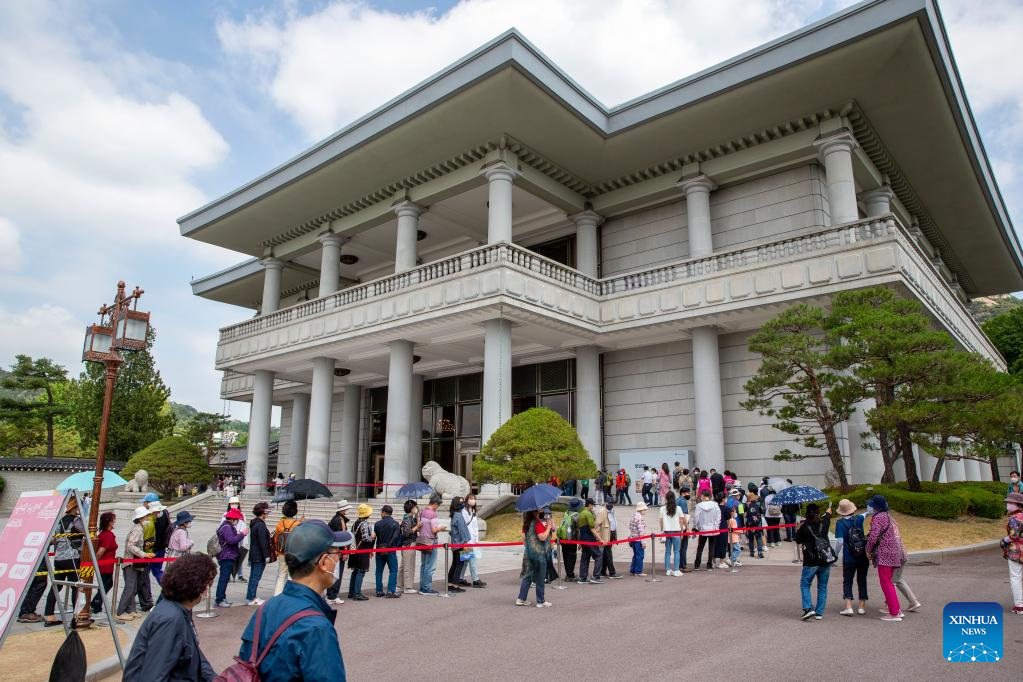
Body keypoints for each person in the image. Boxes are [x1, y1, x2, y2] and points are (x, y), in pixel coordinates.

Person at [238, 521, 351, 682]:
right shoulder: (316, 628)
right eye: (337, 554)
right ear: (324, 561)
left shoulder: (266, 608)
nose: (337, 559)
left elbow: (246, 662)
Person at [122, 554, 218, 681]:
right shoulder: (171, 619)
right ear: (195, 585)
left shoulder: (180, 610)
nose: (207, 590)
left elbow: (195, 656)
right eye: (207, 585)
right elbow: (155, 676)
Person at [865, 495, 915, 621]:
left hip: (884, 555)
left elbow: (873, 537)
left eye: (871, 505)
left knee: (886, 583)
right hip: (893, 553)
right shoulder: (887, 516)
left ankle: (894, 613)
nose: (870, 507)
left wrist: (868, 549)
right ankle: (896, 610)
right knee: (889, 583)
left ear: (875, 506)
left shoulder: (878, 518)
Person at [44, 498, 86, 628]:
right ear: (75, 508)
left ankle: (49, 615)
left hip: (59, 558)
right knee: (76, 587)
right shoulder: (76, 521)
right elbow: (87, 532)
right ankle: (76, 616)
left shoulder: (60, 521)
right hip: (72, 557)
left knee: (56, 586)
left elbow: (53, 539)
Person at [117, 506, 155, 622]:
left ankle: (131, 609)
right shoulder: (138, 529)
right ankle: (120, 611)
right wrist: (144, 554)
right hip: (131, 562)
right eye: (147, 516)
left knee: (133, 587)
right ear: (142, 517)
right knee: (130, 587)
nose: (148, 518)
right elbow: (131, 545)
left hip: (134, 561)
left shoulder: (138, 528)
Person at [795, 502, 833, 620]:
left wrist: (798, 529)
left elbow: (798, 540)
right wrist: (828, 514)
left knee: (805, 584)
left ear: (807, 513)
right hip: (825, 559)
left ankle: (808, 608)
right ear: (818, 513)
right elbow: (827, 518)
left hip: (810, 560)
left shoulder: (804, 527)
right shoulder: (823, 524)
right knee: (822, 587)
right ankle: (819, 612)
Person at [834, 499, 869, 616]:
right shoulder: (859, 518)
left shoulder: (839, 523)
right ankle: (861, 607)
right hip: (862, 555)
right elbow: (866, 513)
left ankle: (848, 607)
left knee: (847, 581)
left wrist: (835, 554)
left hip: (849, 556)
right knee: (862, 580)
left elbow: (840, 542)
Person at [516, 509, 554, 607]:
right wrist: (548, 527)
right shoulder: (537, 523)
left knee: (528, 576)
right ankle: (540, 601)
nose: (541, 512)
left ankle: (521, 599)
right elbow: (542, 537)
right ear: (534, 512)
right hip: (539, 554)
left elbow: (524, 539)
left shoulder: (526, 524)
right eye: (539, 511)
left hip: (529, 553)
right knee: (540, 577)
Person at [215, 508, 248, 608]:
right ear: (233, 519)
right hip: (226, 555)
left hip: (226, 555)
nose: (237, 521)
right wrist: (242, 534)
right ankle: (219, 600)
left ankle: (222, 598)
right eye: (237, 519)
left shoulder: (226, 526)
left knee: (224, 578)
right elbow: (231, 540)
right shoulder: (227, 527)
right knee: (224, 578)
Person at [417, 494, 448, 595]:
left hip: (423, 540)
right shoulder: (433, 514)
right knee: (430, 566)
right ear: (435, 504)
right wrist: (441, 528)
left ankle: (422, 586)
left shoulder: (422, 512)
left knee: (424, 565)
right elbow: (434, 530)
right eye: (438, 505)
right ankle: (426, 588)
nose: (437, 507)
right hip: (431, 541)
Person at [90, 512, 119, 615]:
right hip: (105, 565)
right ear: (110, 522)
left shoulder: (103, 534)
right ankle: (96, 603)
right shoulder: (108, 536)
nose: (115, 521)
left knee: (107, 583)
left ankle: (96, 601)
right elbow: (100, 551)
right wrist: (94, 563)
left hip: (106, 564)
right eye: (113, 520)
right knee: (106, 584)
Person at [273, 500, 303, 596]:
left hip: (282, 552)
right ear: (295, 511)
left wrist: (277, 551)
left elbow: (276, 538)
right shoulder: (298, 523)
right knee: (291, 576)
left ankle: (277, 595)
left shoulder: (280, 523)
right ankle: (290, 596)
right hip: (293, 552)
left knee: (281, 575)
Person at [325, 500, 351, 605]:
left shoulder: (336, 519)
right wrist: (345, 552)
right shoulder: (339, 520)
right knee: (337, 574)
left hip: (333, 550)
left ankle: (331, 595)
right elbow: (342, 538)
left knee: (334, 573)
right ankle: (332, 596)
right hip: (337, 551)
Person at [247, 502, 273, 606]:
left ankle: (251, 596)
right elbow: (262, 542)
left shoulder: (255, 523)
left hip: (254, 554)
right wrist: (266, 556)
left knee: (253, 576)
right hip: (259, 555)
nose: (268, 514)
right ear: (263, 512)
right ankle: (251, 598)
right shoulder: (261, 525)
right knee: (255, 577)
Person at [348, 504, 374, 601]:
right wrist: (372, 537)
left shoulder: (355, 523)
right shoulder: (364, 524)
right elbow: (365, 538)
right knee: (361, 571)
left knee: (355, 571)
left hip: (355, 550)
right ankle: (357, 593)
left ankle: (351, 592)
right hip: (362, 551)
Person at [374, 504, 402, 597]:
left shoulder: (377, 524)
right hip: (391, 549)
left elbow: (375, 536)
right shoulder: (396, 524)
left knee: (379, 570)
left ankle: (379, 591)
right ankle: (390, 591)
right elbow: (397, 537)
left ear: (384, 513)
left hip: (379, 549)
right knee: (393, 570)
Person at [1003, 491, 1023, 614]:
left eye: (1010, 503)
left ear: (1017, 505)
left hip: (1016, 551)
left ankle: (1019, 605)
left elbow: (1014, 535)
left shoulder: (1014, 519)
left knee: (1016, 577)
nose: (1008, 505)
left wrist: (1004, 540)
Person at [460, 493, 487, 587]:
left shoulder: (473, 511)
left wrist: (476, 539)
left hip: (473, 540)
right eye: (471, 498)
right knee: (472, 559)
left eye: (474, 498)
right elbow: (464, 526)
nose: (473, 500)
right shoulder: (464, 511)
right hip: (467, 540)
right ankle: (475, 580)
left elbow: (475, 527)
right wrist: (466, 540)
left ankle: (460, 578)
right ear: (467, 500)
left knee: (465, 560)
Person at [576, 498, 604, 584]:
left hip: (583, 538)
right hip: (589, 538)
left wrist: (580, 542)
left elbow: (579, 529)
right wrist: (600, 539)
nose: (593, 507)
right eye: (593, 505)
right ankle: (595, 576)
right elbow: (592, 528)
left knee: (585, 558)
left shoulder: (580, 513)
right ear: (590, 505)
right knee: (598, 556)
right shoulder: (588, 514)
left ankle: (582, 577)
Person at [692, 490, 721, 571]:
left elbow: (696, 518)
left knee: (700, 547)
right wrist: (716, 527)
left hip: (703, 529)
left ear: (703, 496)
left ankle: (697, 565)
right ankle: (709, 565)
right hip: (713, 529)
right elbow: (718, 517)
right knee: (711, 547)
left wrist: (696, 527)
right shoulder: (715, 505)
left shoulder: (699, 506)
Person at [398, 500, 422, 594]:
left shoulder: (410, 517)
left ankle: (399, 585)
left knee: (404, 565)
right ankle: (408, 587)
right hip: (408, 544)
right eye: (415, 507)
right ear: (411, 508)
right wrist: (416, 527)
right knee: (409, 566)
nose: (416, 508)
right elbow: (406, 533)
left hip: (408, 544)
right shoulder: (407, 518)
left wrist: (417, 519)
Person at [448, 497, 469, 592]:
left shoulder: (453, 515)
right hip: (461, 543)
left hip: (455, 543)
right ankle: (455, 585)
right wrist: (465, 542)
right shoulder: (459, 515)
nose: (463, 504)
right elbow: (462, 530)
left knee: (455, 563)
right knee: (460, 564)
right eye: (461, 502)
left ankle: (450, 583)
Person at [558, 498, 583, 581]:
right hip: (571, 540)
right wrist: (579, 542)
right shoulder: (577, 516)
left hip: (563, 538)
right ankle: (570, 575)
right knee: (571, 556)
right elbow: (578, 530)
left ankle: (568, 573)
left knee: (565, 556)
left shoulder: (566, 513)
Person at [596, 498, 621, 579]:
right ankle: (612, 572)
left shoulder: (612, 511)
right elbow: (597, 525)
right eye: (610, 503)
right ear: (606, 503)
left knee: (606, 553)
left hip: (611, 533)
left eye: (612, 503)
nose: (611, 504)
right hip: (605, 534)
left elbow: (613, 523)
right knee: (608, 553)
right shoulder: (602, 511)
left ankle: (602, 571)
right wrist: (599, 537)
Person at [660, 491, 684, 576]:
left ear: (666, 498)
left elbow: (661, 521)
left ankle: (668, 570)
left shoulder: (662, 508)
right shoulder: (678, 508)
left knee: (667, 552)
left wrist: (662, 530)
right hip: (676, 531)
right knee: (676, 551)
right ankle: (676, 570)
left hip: (667, 532)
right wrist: (681, 531)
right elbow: (681, 520)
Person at [226, 496, 249, 583]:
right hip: (230, 539)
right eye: (232, 503)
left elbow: (244, 526)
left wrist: (244, 538)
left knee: (239, 558)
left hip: (240, 540)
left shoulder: (242, 515)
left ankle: (240, 575)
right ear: (229, 504)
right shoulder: (225, 514)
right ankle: (228, 575)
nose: (234, 505)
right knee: (229, 559)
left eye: (236, 503)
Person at [628, 501, 648, 576]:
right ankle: (638, 571)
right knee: (640, 555)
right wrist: (644, 542)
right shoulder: (640, 518)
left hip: (632, 538)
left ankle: (633, 569)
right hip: (638, 540)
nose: (645, 511)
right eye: (644, 509)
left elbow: (630, 527)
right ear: (641, 510)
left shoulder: (633, 516)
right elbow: (641, 532)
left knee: (635, 555)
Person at [745, 493, 766, 559]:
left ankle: (751, 552)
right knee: (758, 537)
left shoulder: (746, 505)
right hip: (757, 523)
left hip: (749, 524)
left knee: (751, 538)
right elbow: (763, 511)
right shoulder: (758, 505)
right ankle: (760, 553)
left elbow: (745, 514)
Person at [713, 492, 730, 569]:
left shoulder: (714, 507)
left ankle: (713, 562)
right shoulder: (726, 508)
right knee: (723, 545)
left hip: (714, 528)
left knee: (714, 544)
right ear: (723, 499)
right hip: (723, 528)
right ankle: (721, 562)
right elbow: (728, 520)